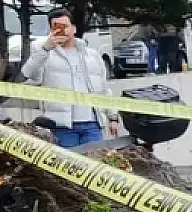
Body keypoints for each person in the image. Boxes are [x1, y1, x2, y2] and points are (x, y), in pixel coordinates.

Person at [21, 9, 119, 148]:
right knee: (68, 167)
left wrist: (113, 117)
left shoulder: (92, 55)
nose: (62, 31)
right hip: (62, 126)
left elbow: (104, 89)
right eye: (56, 27)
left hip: (92, 124)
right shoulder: (43, 52)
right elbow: (29, 74)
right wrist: (45, 49)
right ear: (51, 29)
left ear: (74, 28)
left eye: (65, 26)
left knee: (94, 165)